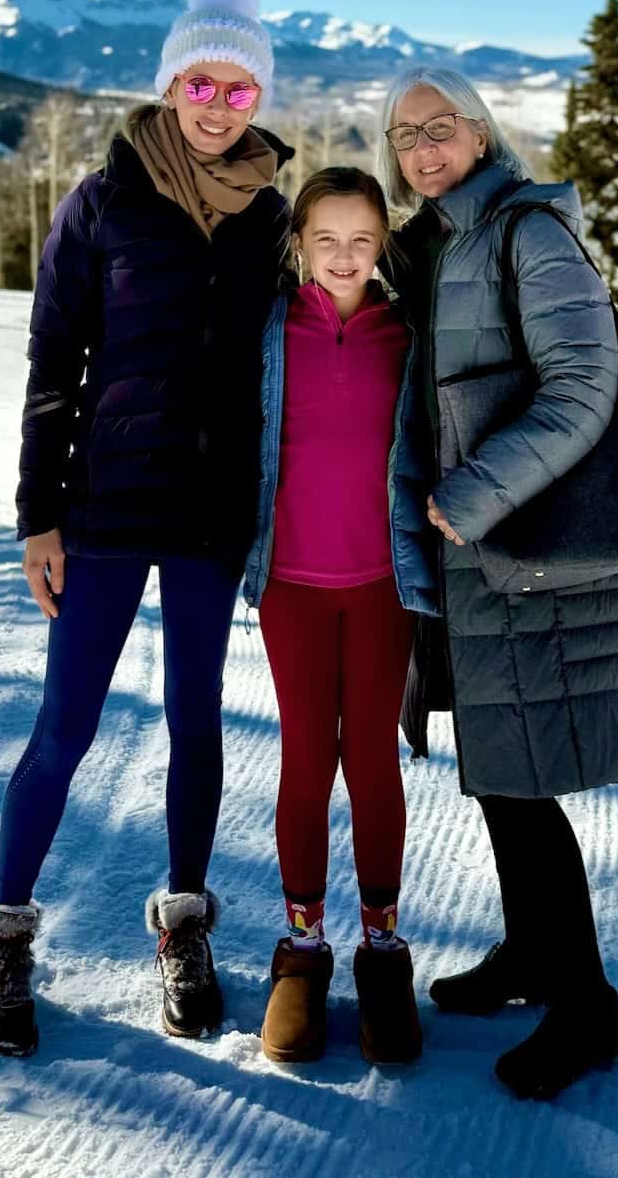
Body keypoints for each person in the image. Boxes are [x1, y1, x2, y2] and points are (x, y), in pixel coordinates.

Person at [0, 0, 292, 1058]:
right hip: (103, 508)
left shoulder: (272, 219)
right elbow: (54, 360)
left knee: (196, 721)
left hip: (207, 516)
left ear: (258, 102)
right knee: (66, 725)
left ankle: (186, 921)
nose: (216, 104)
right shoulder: (102, 199)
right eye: (200, 80)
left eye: (239, 89)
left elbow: (292, 358)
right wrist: (37, 514)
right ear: (168, 85)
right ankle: (5, 934)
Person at [378, 66, 618, 1102]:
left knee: (530, 772)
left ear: (481, 130)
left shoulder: (524, 233)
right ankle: (532, 954)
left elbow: (587, 383)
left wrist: (478, 489)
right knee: (500, 762)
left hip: (525, 542)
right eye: (404, 133)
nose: (422, 146)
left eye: (440, 126)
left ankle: (587, 1002)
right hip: (472, 554)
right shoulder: (432, 245)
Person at [242, 167, 437, 1066]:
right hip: (292, 581)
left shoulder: (408, 332)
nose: (345, 255)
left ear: (384, 241)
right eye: (327, 238)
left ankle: (384, 950)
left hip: (381, 582)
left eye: (363, 239)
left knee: (372, 761)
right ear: (299, 242)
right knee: (306, 757)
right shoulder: (272, 330)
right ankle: (302, 949)